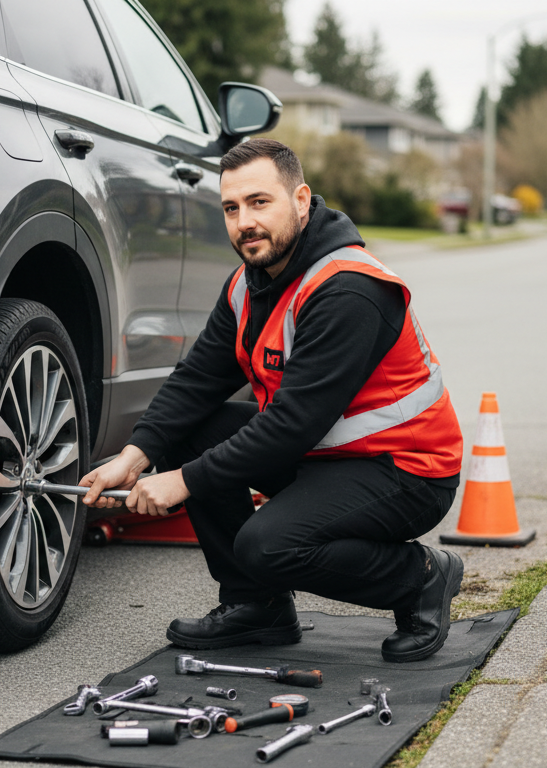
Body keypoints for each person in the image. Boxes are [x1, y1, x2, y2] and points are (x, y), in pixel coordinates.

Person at [79, 138, 465, 663]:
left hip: (405, 471)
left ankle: (419, 578)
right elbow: (196, 380)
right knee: (190, 429)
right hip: (324, 460)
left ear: (301, 201)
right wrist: (135, 456)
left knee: (268, 545)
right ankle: (255, 606)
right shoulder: (247, 284)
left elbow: (291, 426)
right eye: (231, 209)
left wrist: (181, 481)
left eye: (260, 202)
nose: (244, 222)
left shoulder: (350, 289)